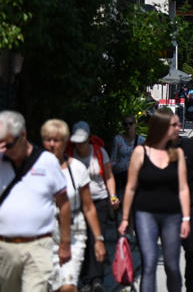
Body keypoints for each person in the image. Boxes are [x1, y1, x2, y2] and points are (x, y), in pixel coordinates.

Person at [119, 109, 191, 292]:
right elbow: (131, 187)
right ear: (162, 127)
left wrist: (186, 218)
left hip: (172, 215)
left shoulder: (177, 154)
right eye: (174, 125)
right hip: (145, 213)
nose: (178, 128)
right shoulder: (140, 152)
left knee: (172, 266)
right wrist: (126, 218)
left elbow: (183, 188)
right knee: (149, 263)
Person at [0, 110, 71, 292]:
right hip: (4, 248)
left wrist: (65, 243)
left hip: (39, 245)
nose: (2, 150)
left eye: (7, 145)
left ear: (22, 135)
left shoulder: (47, 162)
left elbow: (63, 202)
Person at [42, 119, 106, 292]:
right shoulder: (34, 169)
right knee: (50, 286)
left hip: (74, 230)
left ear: (65, 142)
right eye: (48, 139)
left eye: (57, 140)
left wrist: (98, 239)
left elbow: (88, 206)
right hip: (44, 233)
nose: (52, 144)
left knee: (68, 286)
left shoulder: (77, 168)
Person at [69, 121, 119, 291]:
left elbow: (109, 176)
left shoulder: (99, 152)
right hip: (78, 202)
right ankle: (85, 279)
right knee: (82, 240)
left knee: (97, 238)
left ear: (88, 139)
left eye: (82, 141)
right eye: (77, 142)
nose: (80, 145)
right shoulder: (70, 155)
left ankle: (97, 279)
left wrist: (112, 196)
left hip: (99, 200)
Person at [169, 113, 193, 292]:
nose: (177, 128)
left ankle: (189, 278)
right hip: (168, 204)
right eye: (173, 125)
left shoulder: (190, 145)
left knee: (192, 248)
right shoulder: (159, 147)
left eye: (179, 125)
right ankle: (174, 283)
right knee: (171, 248)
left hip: (191, 202)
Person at [111, 115, 145, 202]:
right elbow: (113, 160)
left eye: (130, 123)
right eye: (125, 124)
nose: (128, 126)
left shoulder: (141, 140)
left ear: (135, 124)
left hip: (136, 178)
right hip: (120, 177)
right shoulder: (118, 139)